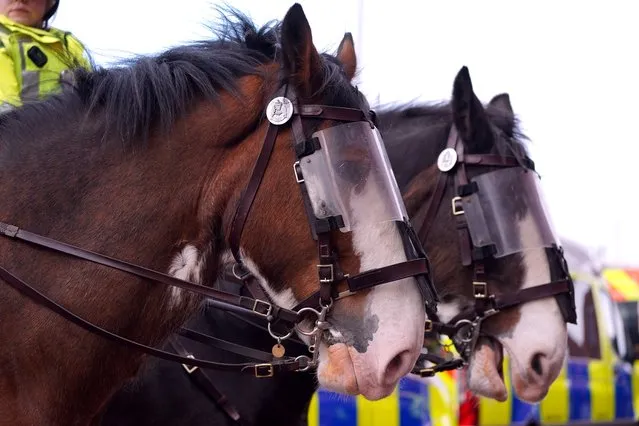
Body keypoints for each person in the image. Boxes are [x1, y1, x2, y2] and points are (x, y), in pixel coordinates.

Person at [0, 0, 92, 112]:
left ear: (50, 3)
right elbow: (6, 115)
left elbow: (93, 103)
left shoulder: (70, 45)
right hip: (19, 127)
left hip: (72, 126)